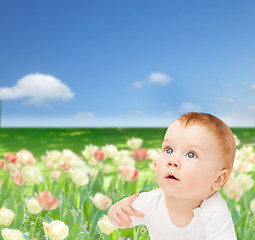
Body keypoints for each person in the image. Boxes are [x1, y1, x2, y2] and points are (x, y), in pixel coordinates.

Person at [108, 112, 237, 240]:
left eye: (191, 154)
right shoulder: (152, 202)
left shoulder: (214, 211)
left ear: (217, 179)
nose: (173, 161)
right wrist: (116, 213)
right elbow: (119, 216)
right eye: (169, 150)